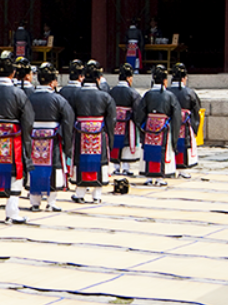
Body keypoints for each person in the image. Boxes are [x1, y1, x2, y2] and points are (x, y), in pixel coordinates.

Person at [0, 52, 33, 224]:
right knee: (14, 174)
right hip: (12, 139)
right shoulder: (18, 93)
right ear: (13, 73)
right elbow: (28, 119)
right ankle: (12, 213)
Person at [26, 63, 73, 212]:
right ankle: (51, 202)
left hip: (33, 137)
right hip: (52, 138)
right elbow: (68, 119)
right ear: (52, 82)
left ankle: (34, 202)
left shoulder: (30, 98)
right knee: (53, 167)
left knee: (35, 167)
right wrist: (67, 142)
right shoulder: (58, 99)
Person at [70, 61, 116, 204]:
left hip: (80, 131)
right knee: (99, 161)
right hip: (98, 131)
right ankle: (97, 195)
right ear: (98, 78)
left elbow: (70, 115)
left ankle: (80, 193)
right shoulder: (105, 96)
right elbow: (112, 118)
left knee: (81, 160)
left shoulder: (76, 95)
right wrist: (109, 134)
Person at [135, 65, 183, 186]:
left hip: (149, 125)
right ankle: (161, 177)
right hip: (163, 126)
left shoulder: (148, 94)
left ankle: (149, 176)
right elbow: (176, 114)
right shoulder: (169, 96)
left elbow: (140, 112)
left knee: (149, 149)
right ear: (165, 80)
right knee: (163, 150)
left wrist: (142, 126)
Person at [109, 64, 143, 176]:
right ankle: (126, 167)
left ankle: (116, 167)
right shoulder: (133, 93)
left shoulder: (112, 91)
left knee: (115, 143)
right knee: (127, 143)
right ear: (129, 78)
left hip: (114, 121)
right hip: (128, 122)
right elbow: (138, 109)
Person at [168, 63, 201, 177]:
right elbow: (196, 109)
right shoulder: (189, 92)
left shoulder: (167, 91)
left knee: (168, 145)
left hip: (169, 123)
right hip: (184, 124)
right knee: (183, 145)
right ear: (183, 78)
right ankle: (182, 170)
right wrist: (194, 126)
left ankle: (170, 168)